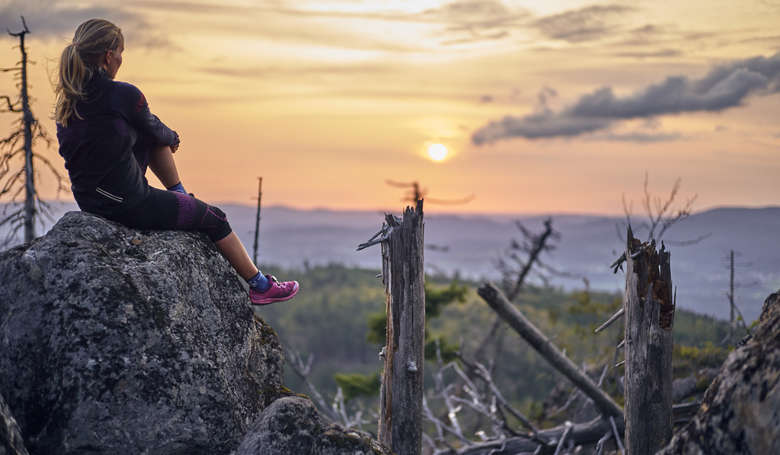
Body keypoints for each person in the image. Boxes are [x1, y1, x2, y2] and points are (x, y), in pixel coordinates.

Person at [54, 19, 298, 306]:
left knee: (147, 137)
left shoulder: (68, 102)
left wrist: (157, 136)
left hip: (90, 202)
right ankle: (260, 285)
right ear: (109, 56)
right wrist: (172, 137)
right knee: (214, 218)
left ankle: (179, 197)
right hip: (129, 204)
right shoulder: (123, 94)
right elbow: (157, 130)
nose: (121, 59)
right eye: (121, 52)